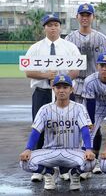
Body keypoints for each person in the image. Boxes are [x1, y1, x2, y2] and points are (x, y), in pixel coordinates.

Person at [24, 14, 81, 182]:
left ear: (60, 27)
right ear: (45, 28)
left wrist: (60, 82)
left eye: (56, 24)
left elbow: (76, 70)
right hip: (41, 92)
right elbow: (28, 71)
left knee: (65, 128)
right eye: (49, 25)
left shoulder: (69, 47)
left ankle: (64, 167)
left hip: (63, 93)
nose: (53, 27)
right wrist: (45, 75)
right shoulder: (35, 48)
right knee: (39, 127)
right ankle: (39, 167)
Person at [19, 74, 95, 191]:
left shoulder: (79, 108)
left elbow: (85, 130)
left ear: (71, 89)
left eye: (65, 87)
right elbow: (36, 131)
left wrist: (88, 149)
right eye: (58, 87)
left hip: (73, 151)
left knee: (91, 163)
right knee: (24, 162)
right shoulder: (45, 109)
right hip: (50, 152)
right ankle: (49, 173)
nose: (61, 90)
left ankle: (74, 174)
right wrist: (28, 148)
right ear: (53, 88)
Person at [65, 3, 106, 103]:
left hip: (95, 81)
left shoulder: (101, 38)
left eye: (88, 15)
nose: (85, 18)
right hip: (76, 82)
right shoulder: (69, 38)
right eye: (82, 15)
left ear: (93, 17)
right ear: (77, 17)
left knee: (94, 116)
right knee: (76, 116)